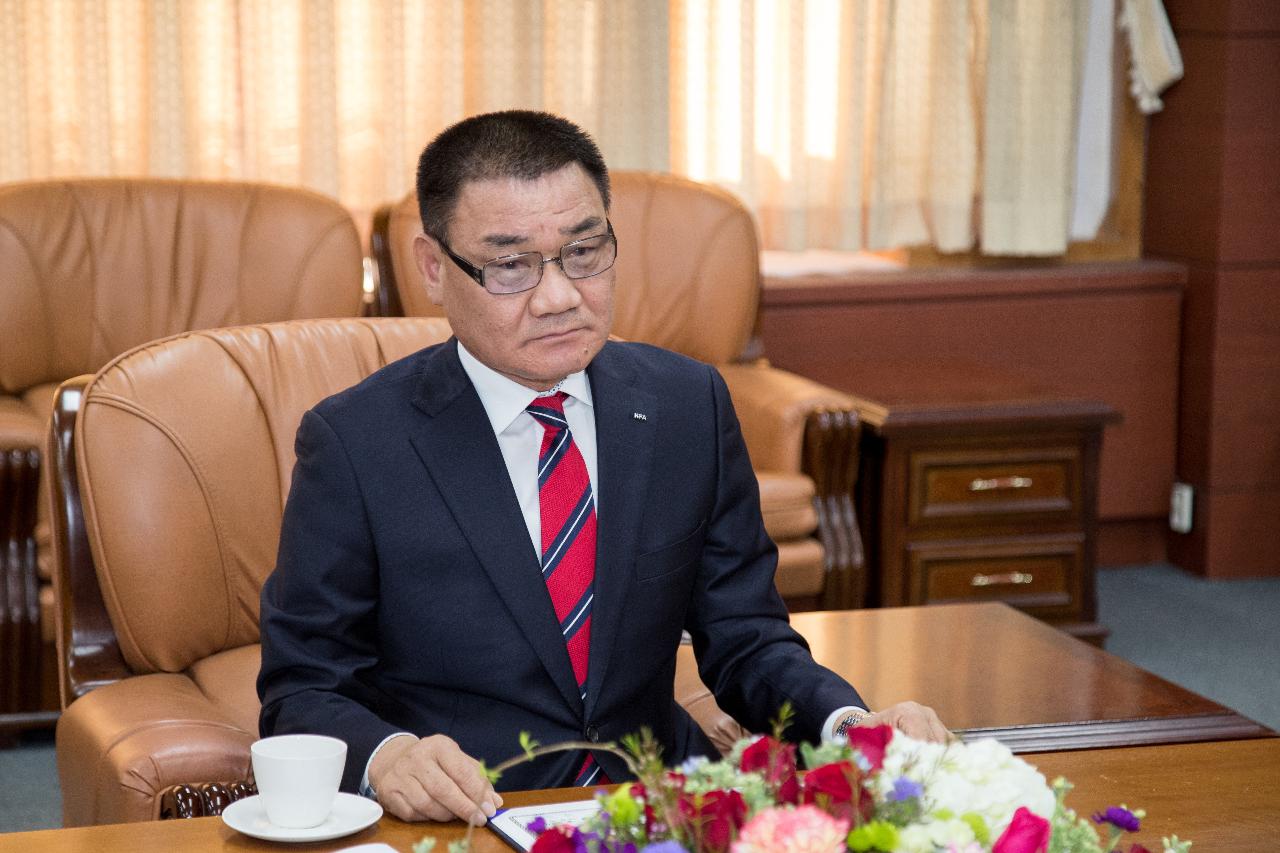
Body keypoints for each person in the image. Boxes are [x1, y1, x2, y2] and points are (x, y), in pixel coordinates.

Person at [257, 110, 946, 827]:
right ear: (433, 268)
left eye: (584, 252)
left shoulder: (689, 405)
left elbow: (747, 638)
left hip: (663, 808)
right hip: (469, 817)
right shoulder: (357, 442)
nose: (559, 296)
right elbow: (303, 685)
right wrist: (388, 754)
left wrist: (851, 726)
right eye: (511, 265)